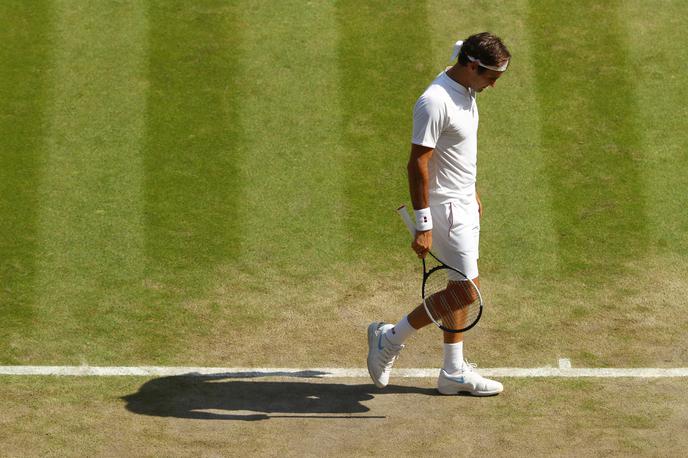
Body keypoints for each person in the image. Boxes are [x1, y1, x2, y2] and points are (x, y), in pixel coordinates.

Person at [367, 32, 511, 396]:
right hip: (444, 210)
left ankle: (452, 371)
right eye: (491, 77)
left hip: (463, 202)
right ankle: (390, 338)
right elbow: (418, 162)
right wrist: (424, 225)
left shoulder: (466, 88)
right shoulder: (434, 101)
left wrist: (472, 189)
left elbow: (456, 150)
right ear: (472, 66)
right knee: (466, 292)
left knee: (460, 285)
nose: (492, 86)